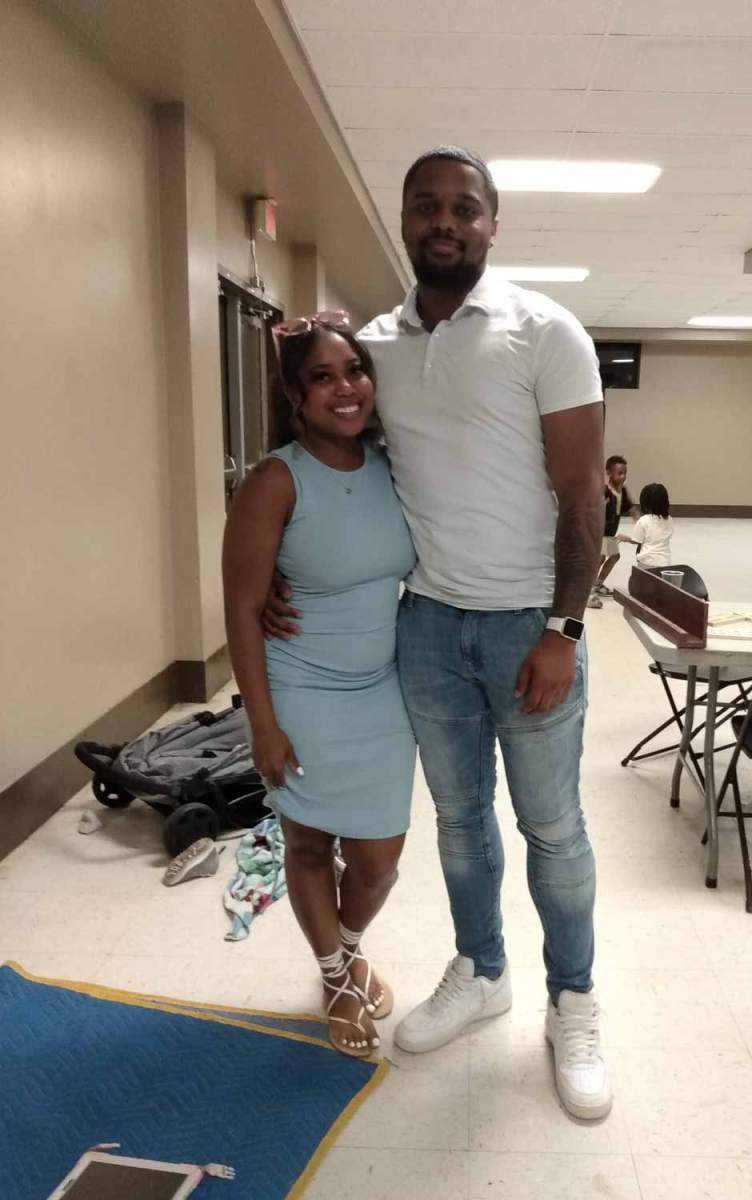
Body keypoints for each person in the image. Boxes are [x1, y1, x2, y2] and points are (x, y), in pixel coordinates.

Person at [265, 146, 610, 1119]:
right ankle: (482, 971)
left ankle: (574, 1002)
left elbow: (584, 496)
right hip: (425, 627)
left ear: (493, 222)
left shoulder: (547, 330)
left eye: (465, 206)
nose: (445, 221)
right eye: (426, 206)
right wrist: (274, 560)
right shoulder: (378, 346)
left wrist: (563, 628)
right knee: (460, 824)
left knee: (552, 827)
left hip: (530, 628)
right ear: (406, 221)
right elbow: (325, 436)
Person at [222, 314, 416, 1059]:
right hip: (300, 687)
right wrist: (262, 725)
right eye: (322, 377)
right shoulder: (275, 480)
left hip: (381, 688)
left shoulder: (392, 465)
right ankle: (337, 974)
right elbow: (243, 610)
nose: (345, 388)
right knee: (308, 845)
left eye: (355, 370)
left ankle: (350, 944)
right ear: (294, 396)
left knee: (378, 860)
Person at [586, 455, 637, 608]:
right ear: (609, 473)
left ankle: (597, 583)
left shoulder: (623, 491)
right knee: (600, 558)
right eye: (619, 473)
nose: (623, 477)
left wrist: (640, 519)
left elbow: (630, 508)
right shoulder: (604, 491)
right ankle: (588, 589)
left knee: (615, 557)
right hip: (600, 532)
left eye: (625, 473)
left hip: (610, 533)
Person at [617, 483, 673, 568]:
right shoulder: (669, 519)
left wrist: (625, 539)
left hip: (646, 562)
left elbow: (636, 540)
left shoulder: (643, 520)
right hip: (665, 562)